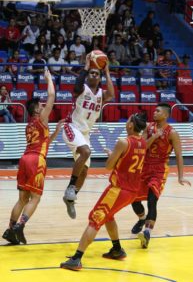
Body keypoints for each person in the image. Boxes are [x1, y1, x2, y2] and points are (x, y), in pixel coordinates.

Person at [60, 113, 147, 271]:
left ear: (131, 125)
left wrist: (111, 156)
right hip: (132, 191)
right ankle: (117, 250)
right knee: (108, 216)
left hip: (118, 189)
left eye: (128, 120)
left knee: (95, 218)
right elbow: (127, 163)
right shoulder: (143, 142)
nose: (126, 122)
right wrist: (116, 157)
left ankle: (77, 258)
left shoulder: (123, 142)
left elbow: (108, 166)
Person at [2, 70, 64, 245]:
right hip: (36, 160)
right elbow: (52, 95)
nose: (44, 106)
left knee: (22, 198)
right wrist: (49, 78)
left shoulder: (29, 125)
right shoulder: (41, 118)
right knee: (35, 198)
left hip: (25, 159)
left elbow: (44, 142)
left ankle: (10, 229)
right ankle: (19, 227)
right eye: (41, 105)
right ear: (37, 110)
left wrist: (56, 131)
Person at [130, 103, 191, 249]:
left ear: (165, 115)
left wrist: (180, 177)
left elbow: (179, 156)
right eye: (155, 111)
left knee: (152, 200)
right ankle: (142, 218)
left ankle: (147, 233)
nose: (154, 113)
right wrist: (155, 136)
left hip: (159, 170)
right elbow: (142, 146)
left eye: (158, 111)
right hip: (144, 167)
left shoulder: (172, 133)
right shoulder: (148, 127)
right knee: (133, 199)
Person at [62, 53, 115, 219]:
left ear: (99, 78)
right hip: (72, 127)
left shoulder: (101, 94)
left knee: (84, 171)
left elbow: (112, 94)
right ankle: (70, 187)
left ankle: (71, 197)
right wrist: (86, 66)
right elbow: (77, 83)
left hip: (85, 133)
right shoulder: (81, 89)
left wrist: (106, 72)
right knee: (86, 152)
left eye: (96, 73)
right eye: (92, 73)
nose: (94, 74)